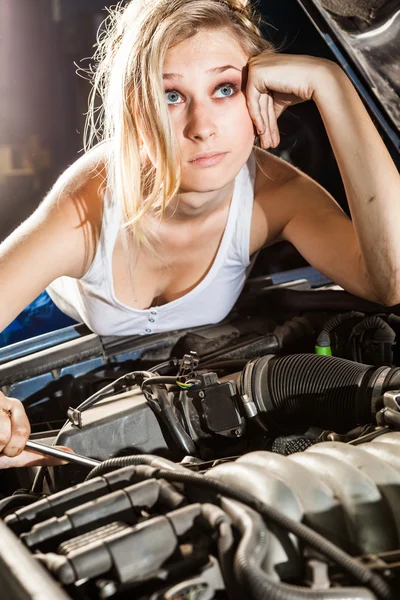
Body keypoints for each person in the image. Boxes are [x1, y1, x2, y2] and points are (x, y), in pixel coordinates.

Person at [0, 0, 399, 469]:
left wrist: (332, 84)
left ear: (260, 96)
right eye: (171, 96)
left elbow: (388, 279)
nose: (202, 127)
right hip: (44, 329)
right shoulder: (90, 205)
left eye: (225, 88)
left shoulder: (277, 196)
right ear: (135, 110)